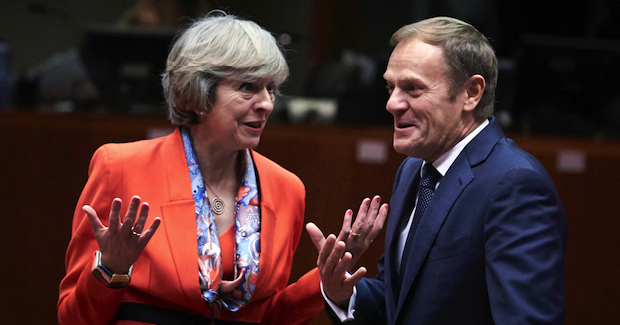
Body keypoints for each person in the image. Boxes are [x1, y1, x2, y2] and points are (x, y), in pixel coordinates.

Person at [58, 11, 326, 325]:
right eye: (248, 87)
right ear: (195, 94)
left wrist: (323, 284)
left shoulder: (286, 188)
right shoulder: (120, 168)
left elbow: (270, 317)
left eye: (271, 89)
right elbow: (73, 318)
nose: (266, 103)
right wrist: (110, 268)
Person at [307, 16, 568, 325]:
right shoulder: (413, 170)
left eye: (413, 88)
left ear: (471, 93)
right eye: (391, 87)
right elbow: (400, 303)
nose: (392, 104)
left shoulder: (515, 184)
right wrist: (343, 293)